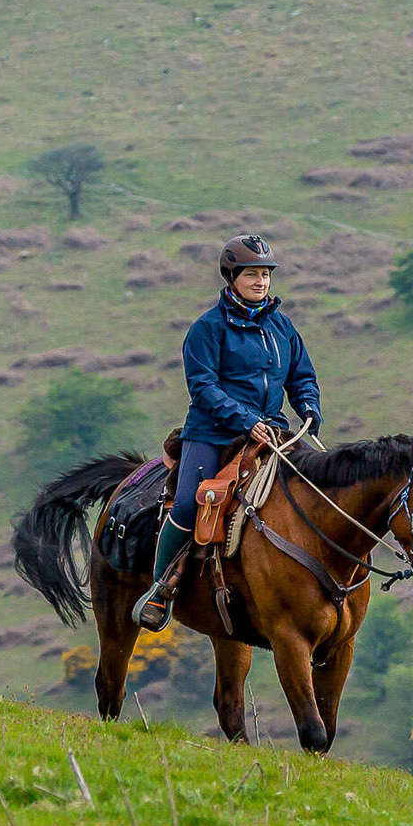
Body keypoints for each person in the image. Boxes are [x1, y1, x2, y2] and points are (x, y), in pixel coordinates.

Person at [132, 234, 321, 631]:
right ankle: (160, 589)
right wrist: (245, 419)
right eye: (252, 274)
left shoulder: (283, 327)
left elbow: (301, 376)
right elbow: (202, 386)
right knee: (186, 506)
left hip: (271, 432)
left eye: (266, 274)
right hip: (213, 433)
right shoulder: (207, 329)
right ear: (230, 276)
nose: (261, 282)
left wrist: (308, 407)